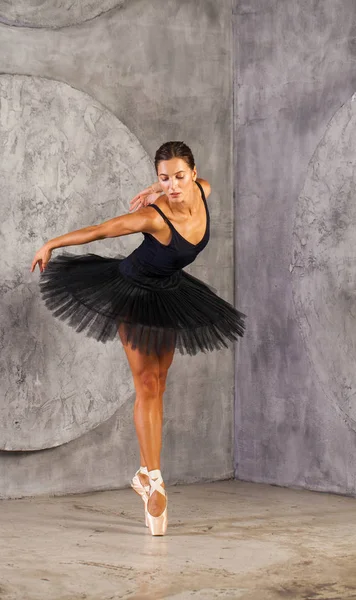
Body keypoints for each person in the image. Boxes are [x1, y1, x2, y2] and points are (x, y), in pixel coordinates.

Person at [30, 141, 246, 536]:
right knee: (146, 383)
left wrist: (158, 185)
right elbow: (99, 231)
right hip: (132, 293)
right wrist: (51, 244)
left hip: (169, 294)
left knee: (160, 383)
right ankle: (155, 480)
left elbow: (200, 185)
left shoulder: (203, 190)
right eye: (165, 178)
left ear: (193, 175)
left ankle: (143, 474)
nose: (174, 185)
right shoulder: (154, 219)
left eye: (179, 176)